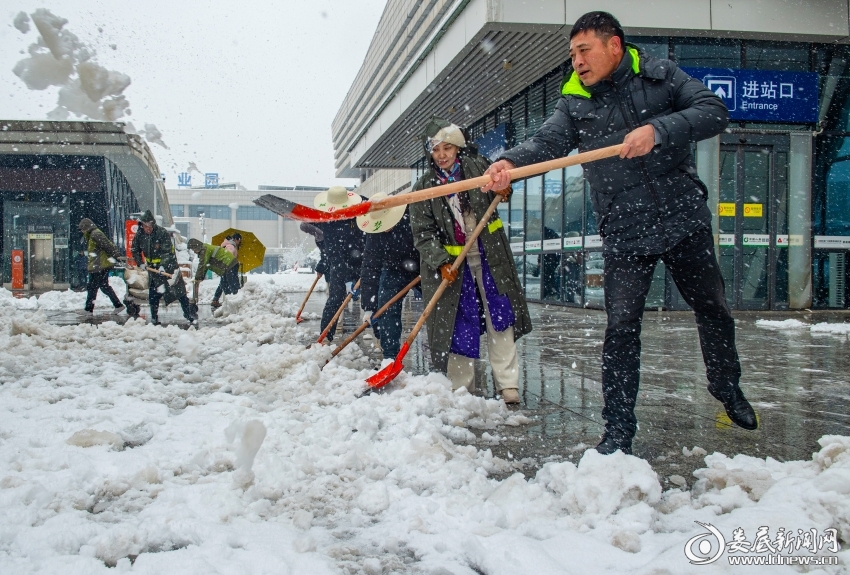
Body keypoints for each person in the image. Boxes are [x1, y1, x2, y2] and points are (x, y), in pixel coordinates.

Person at [483, 11, 757, 453]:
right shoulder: (574, 99)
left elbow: (713, 111)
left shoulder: (660, 75)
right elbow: (547, 144)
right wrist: (510, 163)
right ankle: (617, 429)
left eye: (583, 50)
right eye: (571, 54)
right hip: (625, 227)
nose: (576, 62)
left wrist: (658, 129)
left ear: (614, 46)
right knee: (622, 328)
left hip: (683, 216)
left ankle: (726, 386)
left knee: (713, 307)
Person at [409, 117, 531, 403]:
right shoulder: (424, 186)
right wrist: (440, 261)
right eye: (436, 149)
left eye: (447, 148)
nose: (442, 155)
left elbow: (501, 187)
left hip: (491, 259)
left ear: (457, 149)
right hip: (453, 269)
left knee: (501, 319)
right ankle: (462, 386)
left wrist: (504, 189)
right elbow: (422, 233)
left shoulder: (478, 168)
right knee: (458, 323)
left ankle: (508, 384)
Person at [356, 193, 420, 363]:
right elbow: (370, 267)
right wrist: (369, 306)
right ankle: (390, 357)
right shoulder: (374, 232)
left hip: (423, 265)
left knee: (438, 307)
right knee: (385, 309)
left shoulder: (412, 216)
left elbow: (428, 241)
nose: (384, 228)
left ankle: (444, 357)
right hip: (393, 269)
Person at [311, 187, 365, 342]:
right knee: (335, 299)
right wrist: (344, 275)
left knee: (372, 301)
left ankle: (385, 345)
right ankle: (325, 337)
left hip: (363, 260)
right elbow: (331, 251)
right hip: (341, 263)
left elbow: (366, 238)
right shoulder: (329, 222)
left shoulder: (360, 208)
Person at [130, 210, 197, 326]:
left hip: (169, 268)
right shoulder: (139, 235)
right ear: (142, 225)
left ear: (153, 224)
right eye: (146, 226)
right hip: (153, 270)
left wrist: (163, 265)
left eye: (150, 225)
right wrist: (140, 262)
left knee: (179, 292)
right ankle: (154, 318)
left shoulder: (161, 233)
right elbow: (135, 249)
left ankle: (188, 315)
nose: (148, 228)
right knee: (153, 295)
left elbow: (168, 252)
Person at [78, 218, 125, 314]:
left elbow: (108, 245)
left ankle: (117, 305)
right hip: (96, 266)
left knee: (101, 287)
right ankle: (89, 308)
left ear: (86, 227)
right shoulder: (91, 235)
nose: (82, 231)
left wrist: (116, 256)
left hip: (100, 266)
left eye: (82, 229)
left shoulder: (96, 234)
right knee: (94, 287)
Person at [211, 233, 242, 309]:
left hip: (224, 267)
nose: (239, 242)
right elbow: (229, 256)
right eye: (239, 240)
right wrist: (234, 261)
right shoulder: (230, 246)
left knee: (223, 282)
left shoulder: (227, 244)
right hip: (228, 267)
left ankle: (215, 299)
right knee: (229, 282)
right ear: (236, 239)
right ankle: (231, 299)